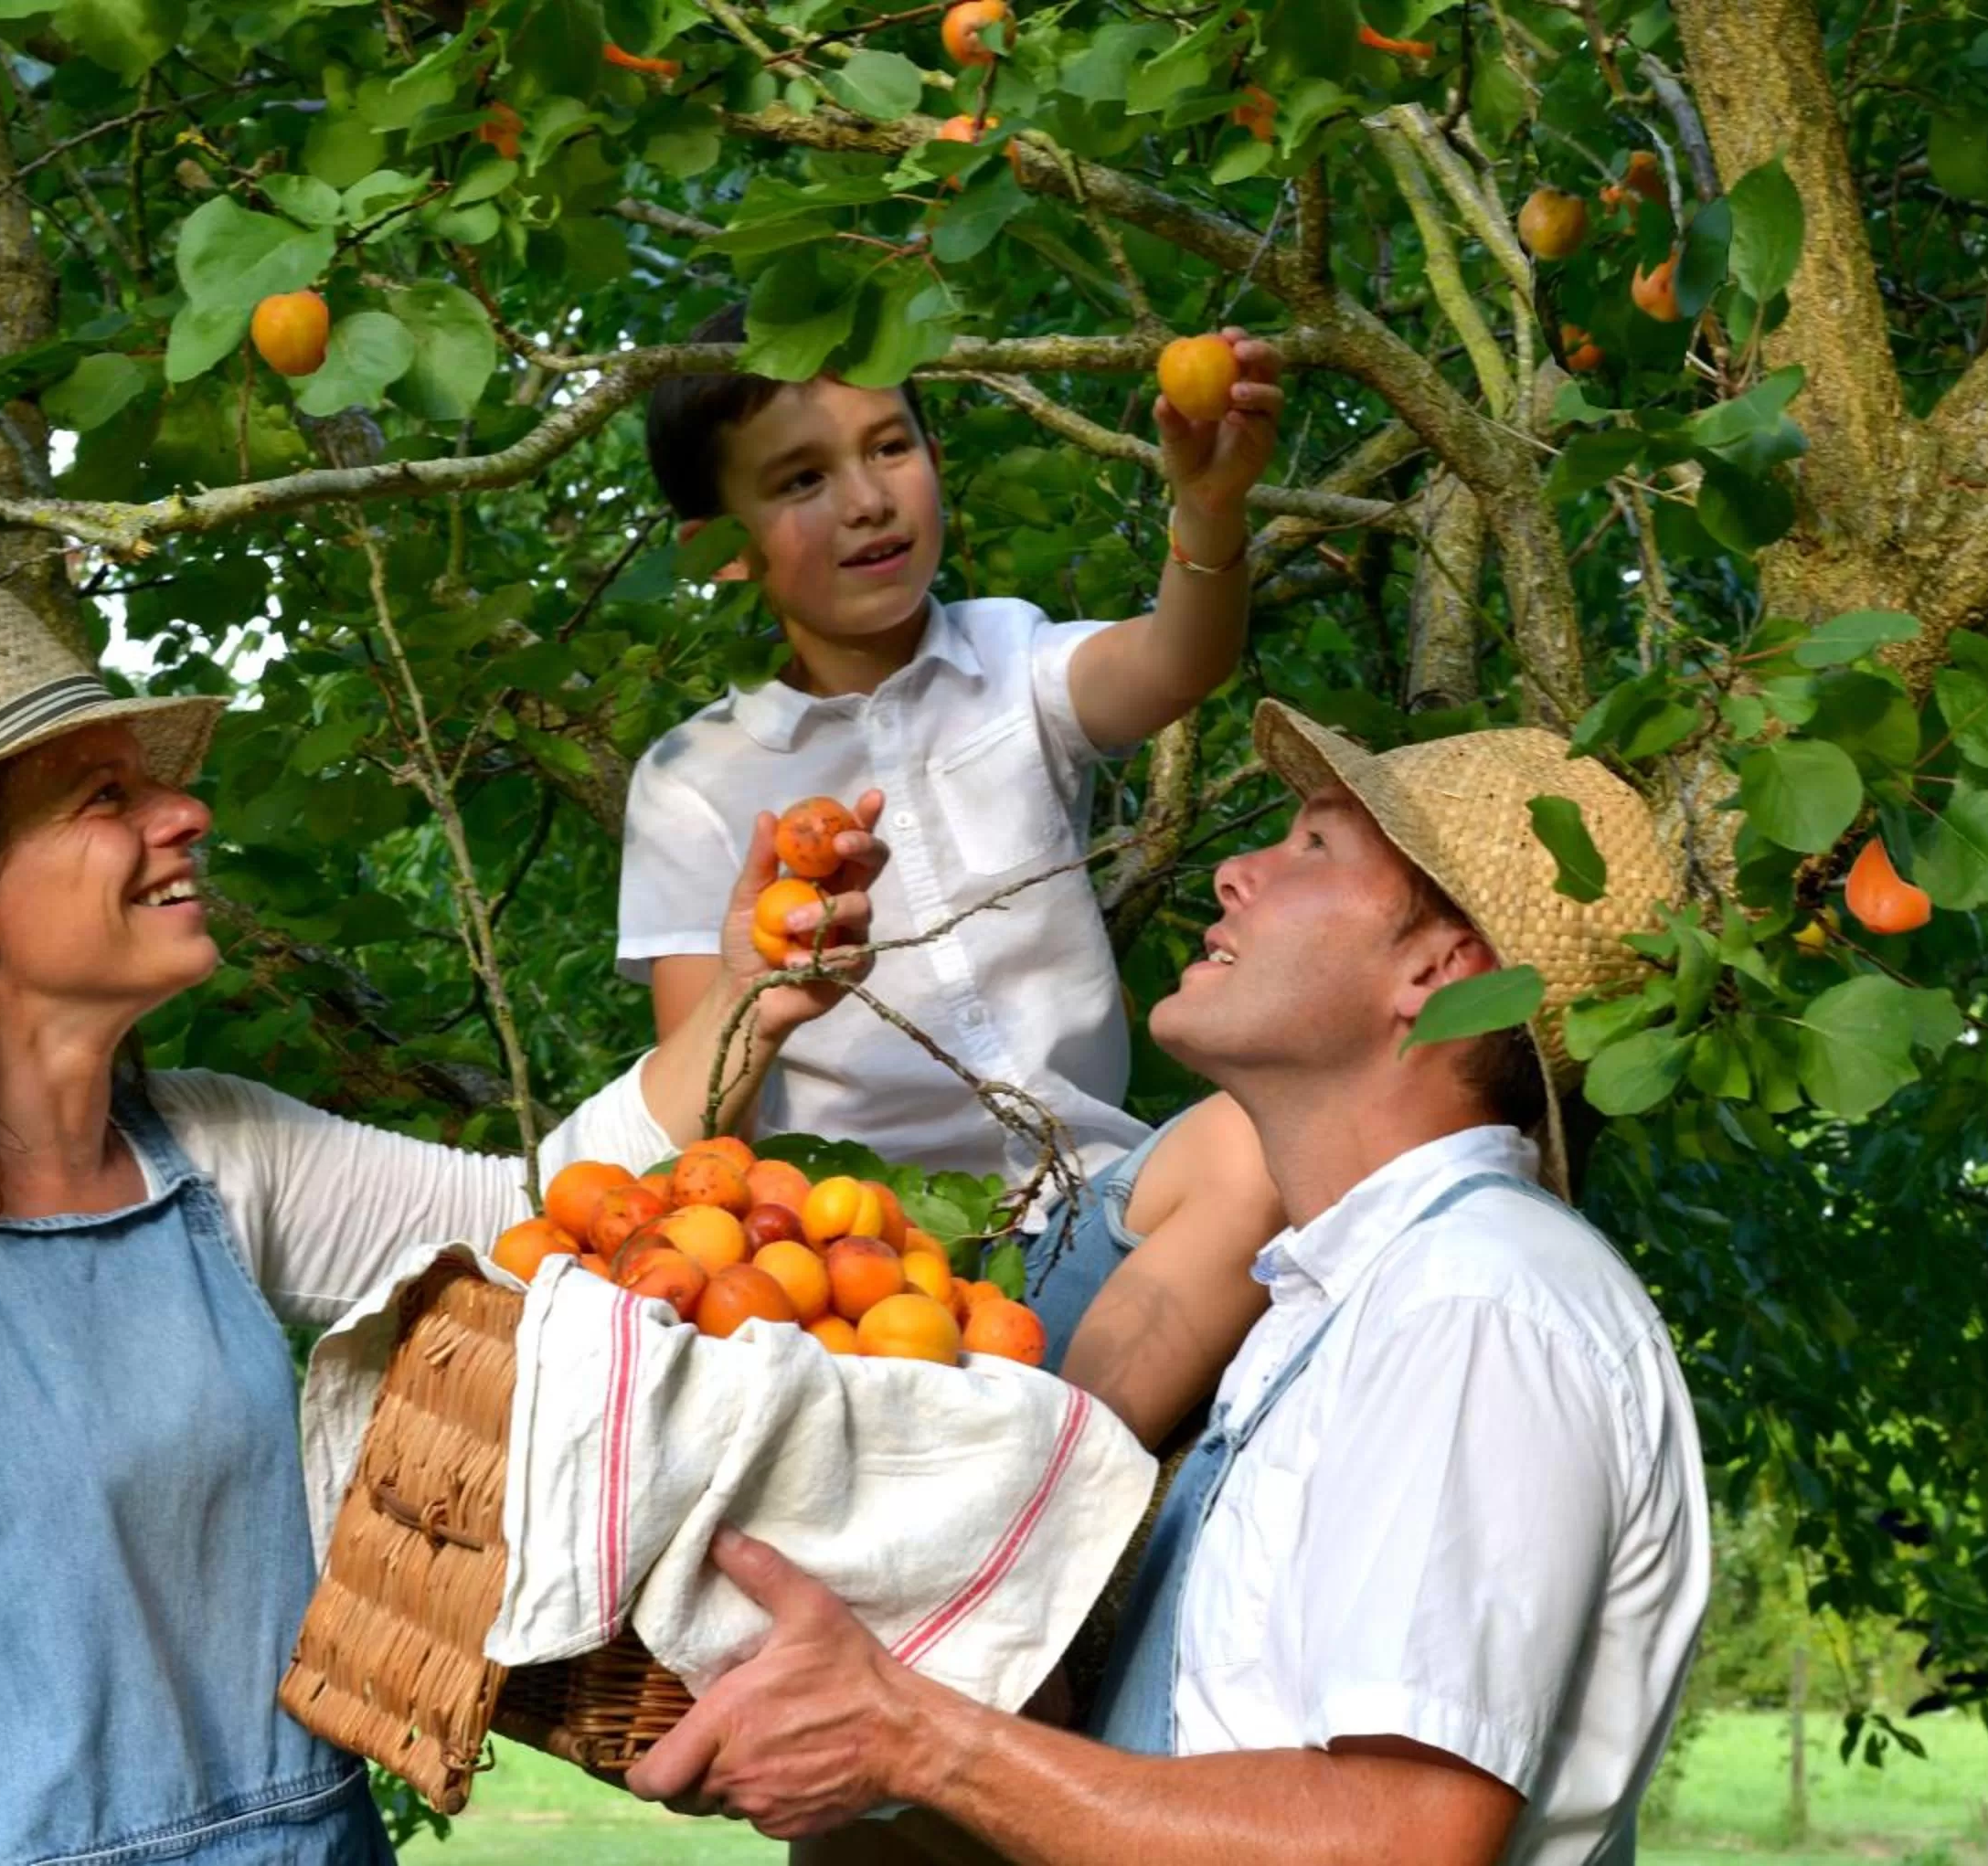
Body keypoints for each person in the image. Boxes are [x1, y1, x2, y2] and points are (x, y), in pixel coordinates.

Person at [0, 589, 877, 1866]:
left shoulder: (218, 1151)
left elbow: (555, 1211)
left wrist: (747, 997)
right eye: (105, 798)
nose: (187, 812)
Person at [622, 701, 1713, 1866]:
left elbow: (1405, 1838)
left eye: (1311, 847)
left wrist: (917, 1739)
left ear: (1442, 970)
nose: (1236, 870)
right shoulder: (1333, 1308)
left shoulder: (1475, 1303)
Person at [617, 307, 1286, 1445]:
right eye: (799, 480)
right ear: (717, 547)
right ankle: (1045, 1468)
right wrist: (770, 986)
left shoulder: (1008, 659)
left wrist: (1207, 504)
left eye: (890, 445)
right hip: (874, 1267)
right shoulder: (695, 781)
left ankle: (1062, 1464)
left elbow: (1178, 660)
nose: (869, 498)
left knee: (1269, 1140)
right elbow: (701, 1110)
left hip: (1096, 1203)